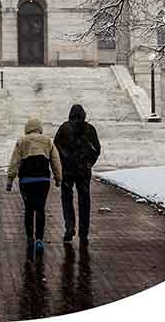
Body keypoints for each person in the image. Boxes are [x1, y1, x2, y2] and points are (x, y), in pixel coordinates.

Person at [6, 117, 62, 252]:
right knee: (40, 209)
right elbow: (55, 160)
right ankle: (39, 240)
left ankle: (30, 237)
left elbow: (15, 162)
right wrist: (58, 178)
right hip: (43, 181)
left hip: (26, 181)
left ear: (27, 128)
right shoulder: (48, 141)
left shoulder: (22, 141)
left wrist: (10, 180)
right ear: (39, 128)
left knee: (29, 210)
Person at [54, 104, 101, 243]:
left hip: (68, 170)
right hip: (83, 171)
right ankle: (83, 233)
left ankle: (69, 227)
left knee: (67, 199)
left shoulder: (64, 128)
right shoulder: (89, 129)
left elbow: (55, 147)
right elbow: (97, 149)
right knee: (84, 201)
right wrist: (89, 163)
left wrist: (63, 161)